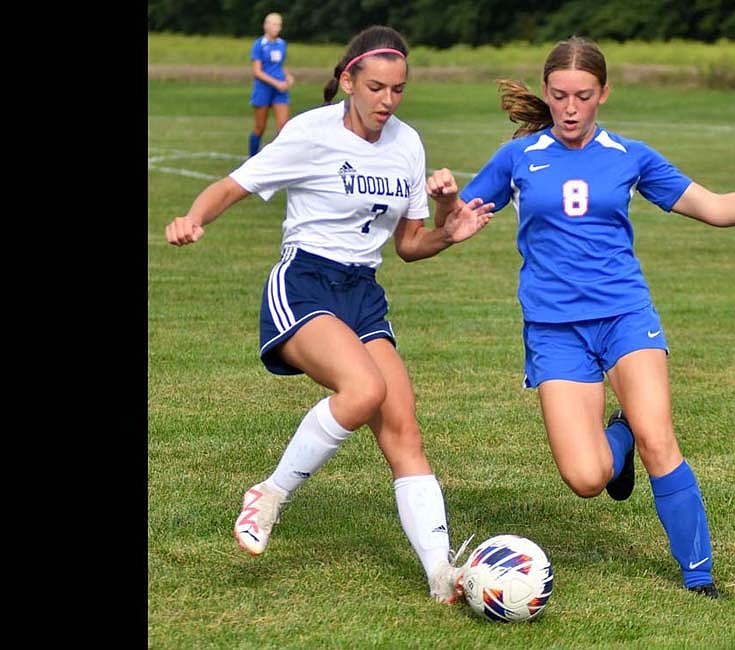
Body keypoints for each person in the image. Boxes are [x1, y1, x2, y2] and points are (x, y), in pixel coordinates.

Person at [432, 36, 735, 600]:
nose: (571, 108)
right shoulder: (517, 158)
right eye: (560, 95)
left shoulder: (630, 155)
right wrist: (448, 203)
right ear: (546, 93)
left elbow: (712, 207)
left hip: (625, 315)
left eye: (584, 96)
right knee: (586, 478)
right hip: (554, 330)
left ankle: (699, 578)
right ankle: (617, 439)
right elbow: (456, 222)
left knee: (659, 437)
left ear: (604, 95)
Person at [164, 25, 495, 604]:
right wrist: (193, 217)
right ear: (348, 81)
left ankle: (441, 574)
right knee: (362, 388)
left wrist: (450, 230)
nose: (386, 101)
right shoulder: (309, 133)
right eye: (375, 87)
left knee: (404, 430)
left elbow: (409, 245)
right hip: (306, 281)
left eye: (398, 89)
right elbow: (233, 186)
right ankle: (269, 495)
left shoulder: (408, 144)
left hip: (363, 293)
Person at [248, 12, 295, 157]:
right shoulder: (259, 45)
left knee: (284, 127)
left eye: (279, 25)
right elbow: (257, 71)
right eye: (274, 24)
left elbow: (279, 66)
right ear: (266, 26)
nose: (277, 28)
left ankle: (276, 158)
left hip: (280, 90)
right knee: (259, 127)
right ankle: (252, 158)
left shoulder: (282, 44)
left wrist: (288, 77)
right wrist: (276, 83)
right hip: (264, 89)